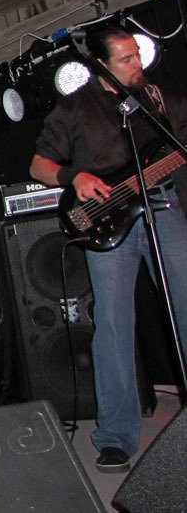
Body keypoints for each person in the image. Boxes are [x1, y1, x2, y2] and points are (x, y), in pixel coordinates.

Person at [30, 24, 187, 474]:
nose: (137, 64)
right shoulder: (76, 107)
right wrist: (73, 177)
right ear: (102, 64)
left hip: (163, 206)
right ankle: (116, 435)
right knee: (114, 324)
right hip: (107, 219)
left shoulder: (157, 98)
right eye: (126, 59)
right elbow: (38, 164)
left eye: (137, 54)